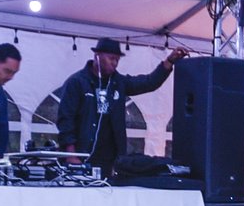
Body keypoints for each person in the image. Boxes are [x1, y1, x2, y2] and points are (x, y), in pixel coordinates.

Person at [54, 36, 186, 167]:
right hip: (82, 155)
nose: (115, 63)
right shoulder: (77, 82)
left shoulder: (119, 82)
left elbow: (149, 82)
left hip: (110, 160)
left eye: (117, 59)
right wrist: (71, 155)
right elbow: (66, 119)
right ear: (97, 56)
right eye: (111, 58)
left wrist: (169, 61)